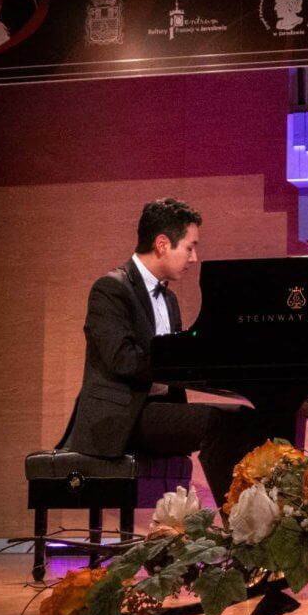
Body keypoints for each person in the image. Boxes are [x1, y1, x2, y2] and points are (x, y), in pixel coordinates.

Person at [58, 198, 265, 509]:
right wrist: (179, 359)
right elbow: (122, 359)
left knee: (248, 419)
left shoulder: (168, 298)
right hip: (121, 418)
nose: (194, 258)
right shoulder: (110, 289)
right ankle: (237, 527)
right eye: (190, 247)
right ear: (162, 244)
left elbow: (174, 362)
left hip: (153, 413)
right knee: (215, 423)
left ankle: (257, 519)